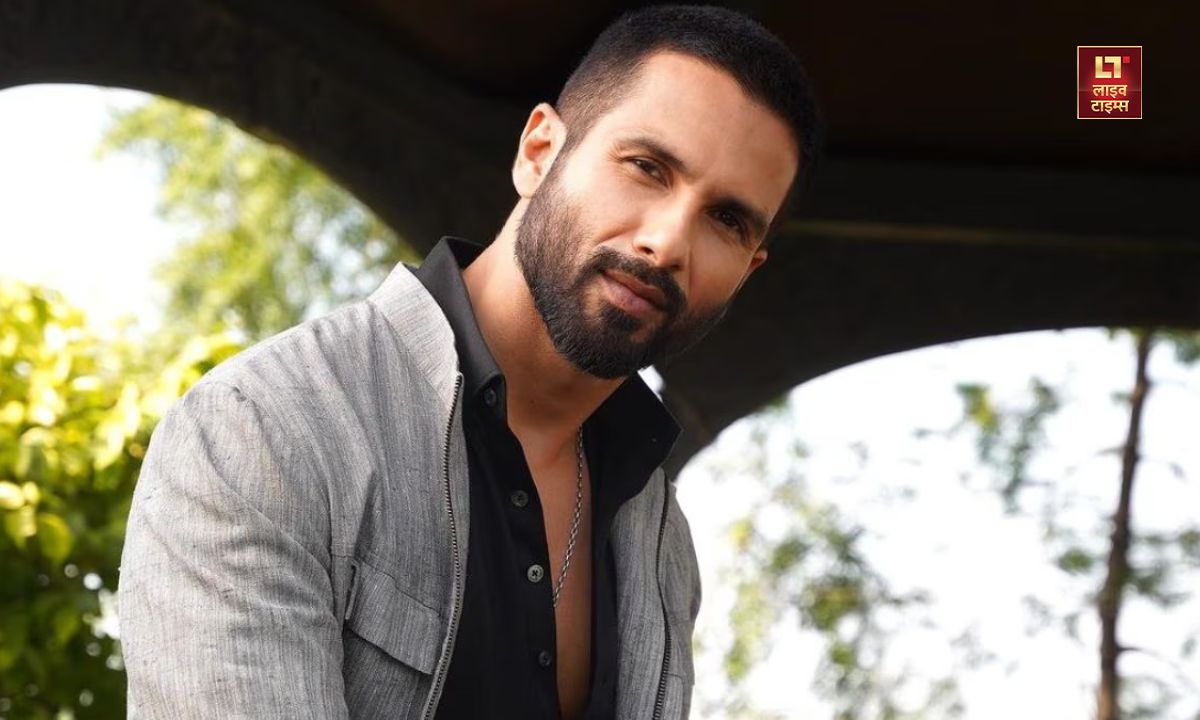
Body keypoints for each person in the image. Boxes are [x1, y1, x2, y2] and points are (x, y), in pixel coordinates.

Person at [117, 4, 823, 719]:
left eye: (726, 220)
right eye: (647, 168)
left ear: (748, 269)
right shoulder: (267, 430)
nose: (668, 243)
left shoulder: (659, 541)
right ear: (539, 151)